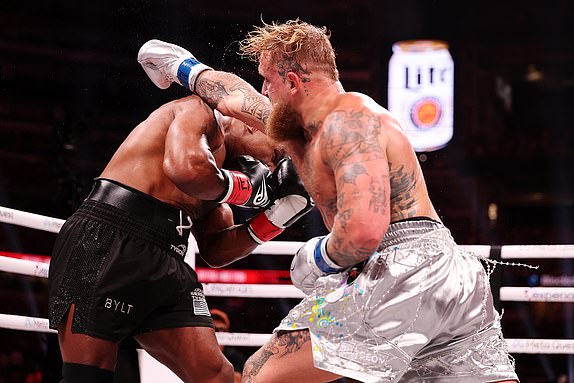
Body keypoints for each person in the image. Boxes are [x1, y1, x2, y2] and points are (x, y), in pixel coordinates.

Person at [137, 19, 518, 383]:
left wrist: (320, 258)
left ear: (291, 81)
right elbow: (237, 98)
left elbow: (365, 231)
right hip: (452, 277)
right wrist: (180, 66)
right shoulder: (303, 129)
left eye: (268, 81)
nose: (263, 91)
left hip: (398, 268)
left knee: (259, 374)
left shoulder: (349, 122)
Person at [47, 72, 314, 381]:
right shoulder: (198, 111)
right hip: (106, 240)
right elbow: (184, 167)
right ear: (250, 119)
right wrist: (251, 190)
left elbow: (215, 248)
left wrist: (275, 218)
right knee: (87, 377)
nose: (273, 166)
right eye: (278, 152)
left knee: (218, 376)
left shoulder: (223, 176)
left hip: (168, 261)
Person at [210, 308, 247, 383]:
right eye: (213, 329)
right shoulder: (196, 353)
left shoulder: (235, 356)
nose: (216, 333)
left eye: (220, 329)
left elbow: (237, 381)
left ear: (227, 331)